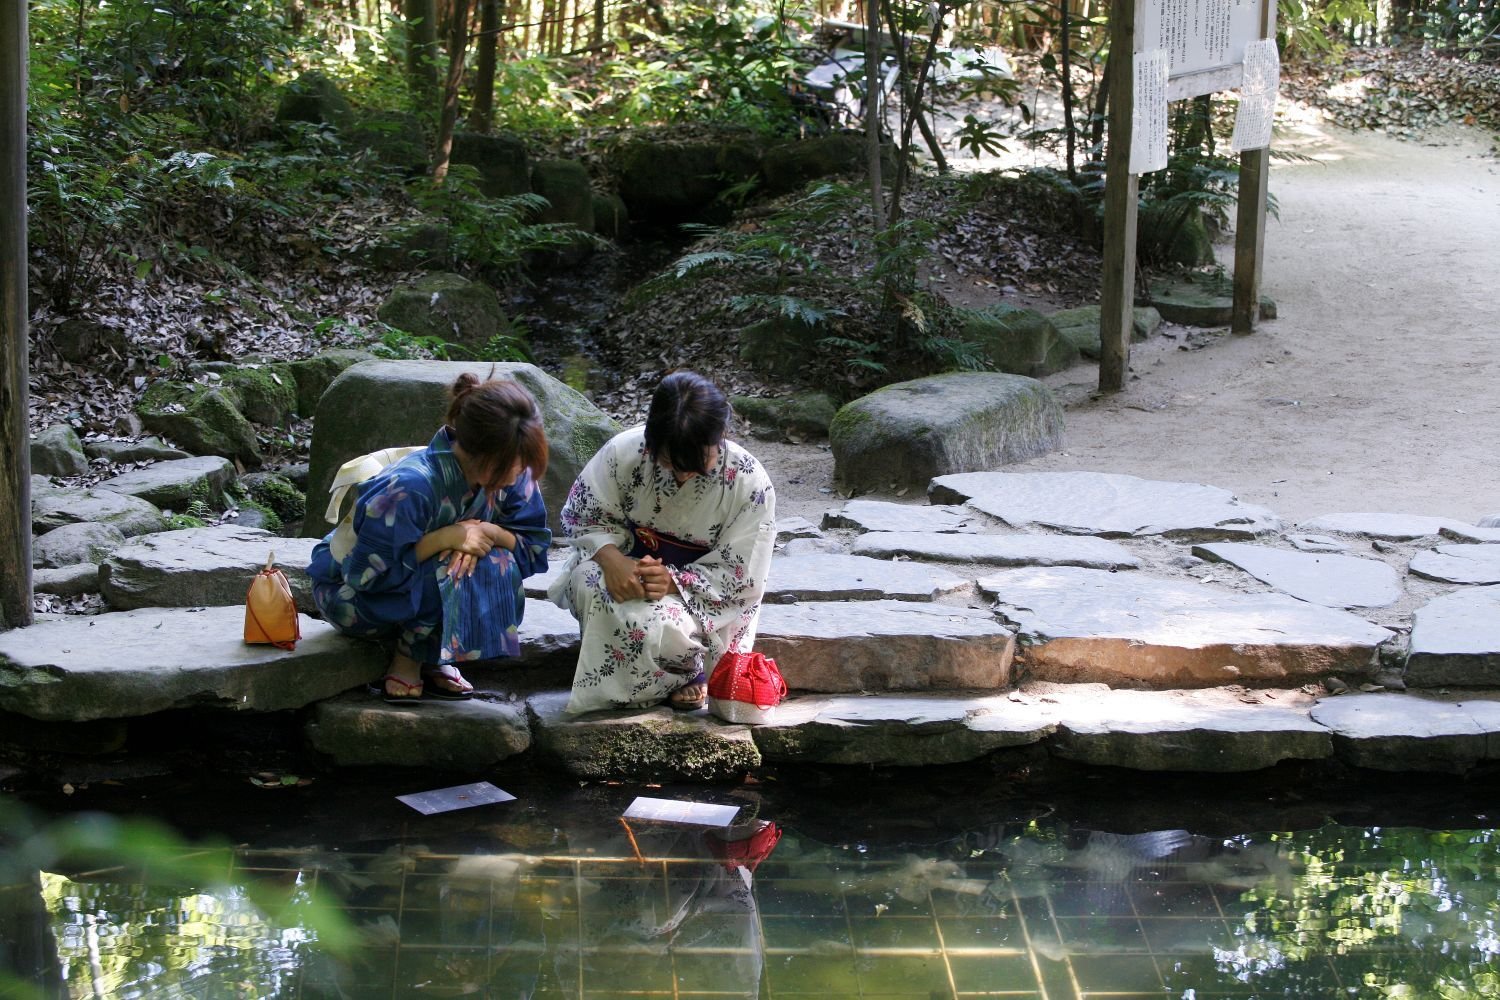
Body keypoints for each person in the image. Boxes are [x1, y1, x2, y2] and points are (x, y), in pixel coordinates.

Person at [308, 373, 551, 703]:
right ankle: (409, 660)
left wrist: (488, 532)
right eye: (514, 463)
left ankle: (437, 655)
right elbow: (365, 577)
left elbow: (534, 551)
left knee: (497, 561)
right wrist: (445, 538)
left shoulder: (514, 473)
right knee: (450, 565)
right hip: (353, 595)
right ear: (485, 455)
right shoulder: (407, 488)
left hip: (413, 586)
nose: (521, 472)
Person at [549, 371, 776, 714]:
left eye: (697, 463)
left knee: (664, 626)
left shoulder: (749, 483)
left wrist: (673, 581)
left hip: (696, 593)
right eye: (670, 462)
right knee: (589, 585)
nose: (683, 474)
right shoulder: (623, 453)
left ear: (720, 437)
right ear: (651, 441)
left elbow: (744, 573)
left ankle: (685, 673)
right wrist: (612, 561)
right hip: (622, 568)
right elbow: (583, 514)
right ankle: (651, 682)